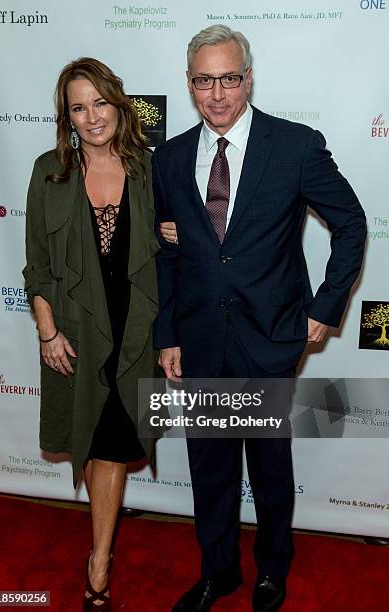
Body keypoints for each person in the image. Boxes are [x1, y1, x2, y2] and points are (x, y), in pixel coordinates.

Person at [153, 25, 366, 612]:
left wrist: (324, 309)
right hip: (198, 339)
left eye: (228, 78)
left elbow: (351, 224)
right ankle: (217, 573)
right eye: (204, 80)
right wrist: (166, 334)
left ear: (248, 78)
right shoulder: (168, 158)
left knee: (270, 467)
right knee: (209, 465)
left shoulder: (294, 146)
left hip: (270, 336)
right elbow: (168, 255)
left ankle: (273, 568)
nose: (217, 93)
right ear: (190, 83)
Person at [23, 57, 163, 611]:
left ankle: (99, 558)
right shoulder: (48, 171)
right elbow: (36, 262)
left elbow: (176, 249)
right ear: (68, 116)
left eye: (99, 103)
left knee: (111, 447)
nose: (91, 116)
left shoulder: (150, 169)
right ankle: (101, 550)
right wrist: (46, 332)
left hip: (134, 335)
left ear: (118, 104)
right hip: (74, 334)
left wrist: (172, 233)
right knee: (90, 436)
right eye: (78, 107)